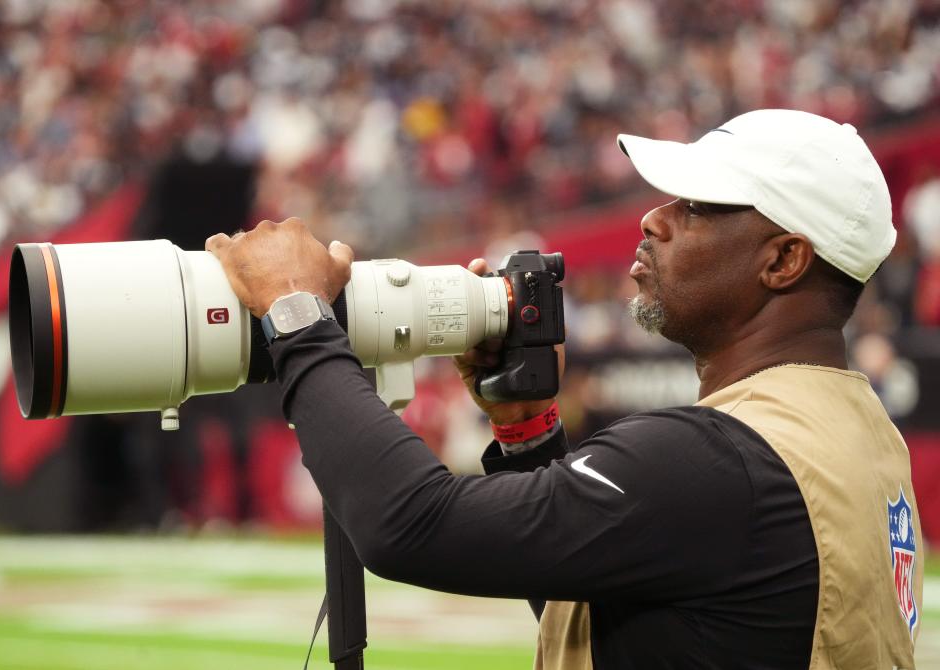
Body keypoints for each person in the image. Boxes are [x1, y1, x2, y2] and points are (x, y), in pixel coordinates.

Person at [206, 109, 922, 669]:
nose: (654, 218)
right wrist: (526, 433)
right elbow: (644, 609)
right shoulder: (855, 432)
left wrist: (297, 315)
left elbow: (410, 527)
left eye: (699, 206)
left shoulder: (718, 459)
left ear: (785, 260)